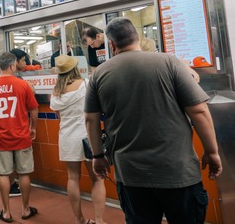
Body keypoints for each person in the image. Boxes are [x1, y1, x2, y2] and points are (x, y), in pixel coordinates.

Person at [85, 17, 222, 223]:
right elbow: (199, 111)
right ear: (138, 38)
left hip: (131, 176)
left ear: (112, 45)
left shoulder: (99, 74)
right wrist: (211, 152)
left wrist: (97, 156)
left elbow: (90, 119)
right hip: (178, 173)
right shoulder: (169, 62)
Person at [0, 52, 39, 222]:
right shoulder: (22, 85)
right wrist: (32, 127)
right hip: (22, 136)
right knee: (24, 174)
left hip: (1, 137)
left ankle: (6, 212)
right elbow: (34, 109)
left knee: (4, 175)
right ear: (13, 66)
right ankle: (26, 209)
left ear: (0, 66)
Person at [50, 55, 106, 224]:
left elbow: (59, 115)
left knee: (73, 178)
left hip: (67, 137)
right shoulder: (86, 85)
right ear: (75, 68)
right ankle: (99, 220)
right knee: (97, 178)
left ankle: (79, 219)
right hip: (88, 137)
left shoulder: (56, 92)